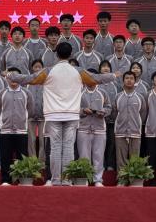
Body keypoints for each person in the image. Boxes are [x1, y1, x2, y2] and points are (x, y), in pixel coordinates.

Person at [7, 42, 117, 186]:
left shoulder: (48, 71)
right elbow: (97, 79)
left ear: (56, 54)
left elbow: (29, 79)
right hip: (71, 114)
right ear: (71, 54)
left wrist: (10, 76)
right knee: (68, 147)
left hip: (53, 114)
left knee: (55, 147)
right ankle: (66, 180)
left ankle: (55, 179)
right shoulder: (78, 71)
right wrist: (113, 76)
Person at [0, 67, 33, 185]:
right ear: (7, 78)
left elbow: (30, 110)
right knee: (5, 157)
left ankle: (22, 179)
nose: (13, 79)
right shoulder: (1, 93)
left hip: (21, 131)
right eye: (11, 76)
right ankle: (6, 180)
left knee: (22, 156)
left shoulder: (27, 93)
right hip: (5, 131)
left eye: (16, 76)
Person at [77, 78, 111, 187]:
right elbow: (73, 108)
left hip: (99, 128)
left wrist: (103, 112)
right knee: (84, 156)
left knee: (99, 155)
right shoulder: (80, 92)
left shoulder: (103, 92)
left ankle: (98, 180)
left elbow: (109, 107)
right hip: (83, 127)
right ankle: (85, 178)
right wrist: (83, 110)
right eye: (88, 78)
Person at [114, 71, 147, 173]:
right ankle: (121, 178)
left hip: (135, 132)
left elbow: (143, 113)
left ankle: (134, 179)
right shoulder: (117, 97)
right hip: (120, 132)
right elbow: (114, 113)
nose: (129, 80)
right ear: (123, 81)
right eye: (127, 78)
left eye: (131, 78)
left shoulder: (140, 97)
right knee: (121, 159)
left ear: (135, 81)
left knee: (135, 160)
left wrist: (136, 123)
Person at [98, 61, 117, 171]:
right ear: (99, 69)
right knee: (100, 144)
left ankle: (110, 164)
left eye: (107, 67)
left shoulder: (115, 84)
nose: (105, 68)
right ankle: (101, 164)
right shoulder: (97, 83)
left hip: (112, 120)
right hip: (99, 119)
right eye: (103, 66)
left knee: (111, 143)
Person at [27, 59, 45, 161]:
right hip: (30, 117)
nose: (37, 69)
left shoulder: (46, 82)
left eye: (39, 67)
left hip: (43, 117)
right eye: (35, 67)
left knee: (43, 140)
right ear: (32, 68)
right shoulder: (28, 82)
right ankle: (32, 161)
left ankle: (42, 161)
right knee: (31, 140)